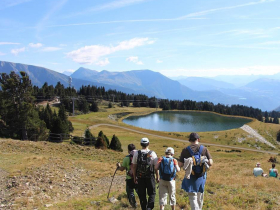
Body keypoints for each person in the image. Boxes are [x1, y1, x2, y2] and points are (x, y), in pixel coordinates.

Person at [178, 132, 213, 210]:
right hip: (201, 177)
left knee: (193, 198)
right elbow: (210, 163)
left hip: (190, 177)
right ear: (198, 139)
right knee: (200, 196)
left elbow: (180, 164)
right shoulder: (204, 149)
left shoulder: (185, 150)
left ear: (190, 140)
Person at [132, 137, 159, 210]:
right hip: (150, 176)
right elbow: (156, 167)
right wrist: (157, 177)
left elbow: (134, 166)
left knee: (142, 194)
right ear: (148, 144)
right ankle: (149, 207)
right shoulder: (152, 153)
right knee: (152, 193)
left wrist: (134, 177)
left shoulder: (136, 153)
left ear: (141, 144)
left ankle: (144, 208)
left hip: (140, 177)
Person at [117, 144, 138, 208]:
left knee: (130, 191)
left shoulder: (126, 158)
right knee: (139, 191)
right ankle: (143, 203)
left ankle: (134, 205)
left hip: (130, 178)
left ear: (128, 150)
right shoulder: (138, 156)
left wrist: (118, 166)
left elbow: (122, 169)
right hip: (138, 177)